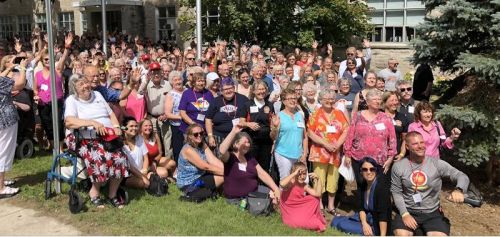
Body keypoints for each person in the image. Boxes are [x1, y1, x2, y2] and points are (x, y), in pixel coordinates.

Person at [64, 74, 129, 208]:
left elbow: (110, 113)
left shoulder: (98, 95)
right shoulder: (72, 100)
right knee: (100, 157)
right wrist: (92, 123)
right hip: (82, 137)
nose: (85, 86)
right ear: (74, 89)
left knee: (120, 158)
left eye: (85, 82)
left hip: (106, 136)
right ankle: (94, 191)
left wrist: (116, 127)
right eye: (80, 85)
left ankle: (112, 194)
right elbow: (69, 121)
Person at [391, 131, 470, 236]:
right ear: (407, 147)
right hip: (408, 210)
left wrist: (459, 190)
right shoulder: (399, 166)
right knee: (401, 234)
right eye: (415, 144)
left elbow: (461, 176)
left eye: (422, 142)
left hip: (432, 213)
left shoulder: (436, 163)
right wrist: (404, 214)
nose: (420, 146)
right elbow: (396, 192)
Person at [307, 89, 349, 214]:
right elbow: (309, 132)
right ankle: (319, 205)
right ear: (321, 100)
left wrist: (338, 144)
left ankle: (331, 206)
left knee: (333, 179)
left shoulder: (339, 113)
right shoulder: (316, 114)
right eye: (326, 99)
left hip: (335, 153)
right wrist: (325, 143)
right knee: (319, 178)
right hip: (319, 152)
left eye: (332, 99)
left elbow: (346, 130)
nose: (329, 101)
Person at [343, 89, 397, 186]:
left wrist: (390, 158)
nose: (377, 101)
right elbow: (350, 135)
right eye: (374, 99)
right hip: (358, 158)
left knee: (378, 189)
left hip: (380, 160)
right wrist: (347, 154)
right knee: (361, 187)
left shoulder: (386, 118)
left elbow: (392, 139)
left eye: (379, 99)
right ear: (367, 102)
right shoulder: (357, 116)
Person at [217, 125, 281, 202]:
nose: (247, 145)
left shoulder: (250, 158)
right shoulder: (230, 157)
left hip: (254, 192)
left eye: (248, 143)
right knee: (269, 200)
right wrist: (233, 132)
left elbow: (263, 174)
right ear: (235, 144)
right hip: (238, 198)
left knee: (274, 194)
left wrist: (276, 188)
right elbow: (221, 151)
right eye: (245, 142)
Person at [332, 157, 392, 236]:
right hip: (366, 218)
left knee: (341, 224)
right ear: (361, 171)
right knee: (335, 221)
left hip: (378, 224)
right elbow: (361, 207)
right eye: (365, 169)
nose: (368, 172)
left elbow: (383, 215)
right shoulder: (363, 184)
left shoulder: (381, 187)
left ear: (376, 170)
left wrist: (382, 235)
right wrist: (364, 224)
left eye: (372, 169)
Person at [0, 58, 27, 198]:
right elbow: (20, 84)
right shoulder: (2, 82)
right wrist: (22, 67)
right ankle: (1, 187)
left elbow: (1, 77)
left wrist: (10, 68)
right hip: (5, 120)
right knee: (3, 151)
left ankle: (1, 181)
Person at [176, 124, 224, 197]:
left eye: (201, 133)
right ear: (190, 136)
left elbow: (214, 160)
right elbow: (205, 167)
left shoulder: (202, 144)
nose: (199, 136)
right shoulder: (188, 150)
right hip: (189, 183)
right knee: (222, 177)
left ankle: (218, 192)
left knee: (224, 174)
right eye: (195, 134)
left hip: (200, 176)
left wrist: (228, 169)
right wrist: (226, 173)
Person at [270, 88, 308, 180]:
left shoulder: (300, 115)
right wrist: (275, 127)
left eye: (294, 98)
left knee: (303, 181)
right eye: (290, 98)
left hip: (299, 154)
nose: (293, 100)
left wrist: (304, 154)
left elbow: (305, 137)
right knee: (286, 180)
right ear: (284, 101)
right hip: (283, 154)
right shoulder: (278, 116)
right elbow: (273, 137)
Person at [238, 80, 275, 172]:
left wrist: (274, 140)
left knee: (264, 167)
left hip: (266, 142)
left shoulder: (270, 105)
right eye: (259, 89)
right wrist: (248, 124)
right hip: (252, 142)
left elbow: (273, 124)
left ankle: (263, 186)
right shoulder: (247, 105)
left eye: (263, 89)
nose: (261, 92)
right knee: (251, 166)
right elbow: (240, 122)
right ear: (253, 91)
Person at [205, 77, 249, 154]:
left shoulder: (243, 99)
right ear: (221, 91)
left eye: (230, 88)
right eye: (225, 89)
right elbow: (208, 119)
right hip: (219, 137)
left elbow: (249, 116)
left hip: (238, 137)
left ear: (234, 88)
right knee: (221, 159)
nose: (228, 91)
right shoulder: (216, 101)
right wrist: (210, 136)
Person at [280, 162, 326, 232]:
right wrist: (294, 174)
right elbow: (281, 184)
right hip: (289, 211)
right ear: (294, 173)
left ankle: (310, 219)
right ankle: (304, 221)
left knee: (315, 199)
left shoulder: (304, 185)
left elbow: (317, 194)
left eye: (304, 174)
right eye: (299, 174)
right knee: (303, 222)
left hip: (298, 208)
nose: (302, 176)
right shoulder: (291, 182)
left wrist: (318, 179)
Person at [145, 62, 173, 158]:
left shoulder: (168, 85)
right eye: (153, 72)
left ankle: (169, 163)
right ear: (150, 74)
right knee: (154, 141)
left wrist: (167, 114)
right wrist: (145, 81)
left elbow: (174, 101)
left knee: (167, 141)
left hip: (165, 117)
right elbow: (139, 93)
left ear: (161, 72)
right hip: (151, 118)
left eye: (157, 72)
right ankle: (156, 163)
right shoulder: (147, 85)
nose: (156, 74)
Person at [178, 67, 214, 133]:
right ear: (194, 82)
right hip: (189, 129)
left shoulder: (208, 93)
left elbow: (213, 110)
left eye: (203, 81)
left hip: (205, 129)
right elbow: (182, 113)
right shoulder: (187, 93)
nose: (201, 83)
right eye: (199, 81)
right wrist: (194, 124)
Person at [122, 117, 152, 189]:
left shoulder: (139, 138)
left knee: (162, 173)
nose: (134, 128)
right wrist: (142, 176)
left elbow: (145, 157)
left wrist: (144, 170)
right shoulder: (120, 143)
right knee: (141, 183)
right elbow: (128, 166)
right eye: (131, 126)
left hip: (142, 171)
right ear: (124, 128)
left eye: (136, 126)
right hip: (129, 175)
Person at [164, 71, 186, 162]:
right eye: (175, 80)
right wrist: (182, 117)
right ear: (171, 82)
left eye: (179, 79)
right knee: (179, 148)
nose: (178, 82)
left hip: (189, 125)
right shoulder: (170, 95)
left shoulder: (187, 91)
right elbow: (168, 113)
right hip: (177, 126)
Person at [383, 91, 409, 159]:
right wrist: (393, 123)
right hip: (380, 154)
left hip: (396, 155)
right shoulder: (378, 115)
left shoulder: (402, 117)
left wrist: (401, 154)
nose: (394, 103)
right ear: (385, 102)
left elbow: (405, 139)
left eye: (396, 100)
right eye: (392, 100)